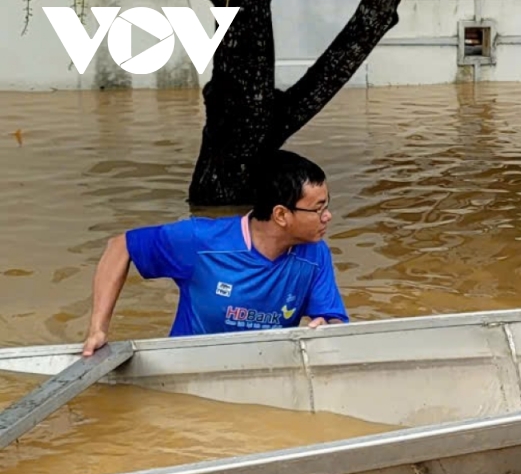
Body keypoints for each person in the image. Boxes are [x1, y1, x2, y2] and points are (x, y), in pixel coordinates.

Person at [81, 149, 349, 356]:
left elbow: (332, 319)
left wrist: (328, 329)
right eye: (318, 208)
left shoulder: (315, 254)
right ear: (281, 214)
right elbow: (120, 246)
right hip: (188, 371)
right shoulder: (201, 241)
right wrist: (97, 329)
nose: (327, 216)